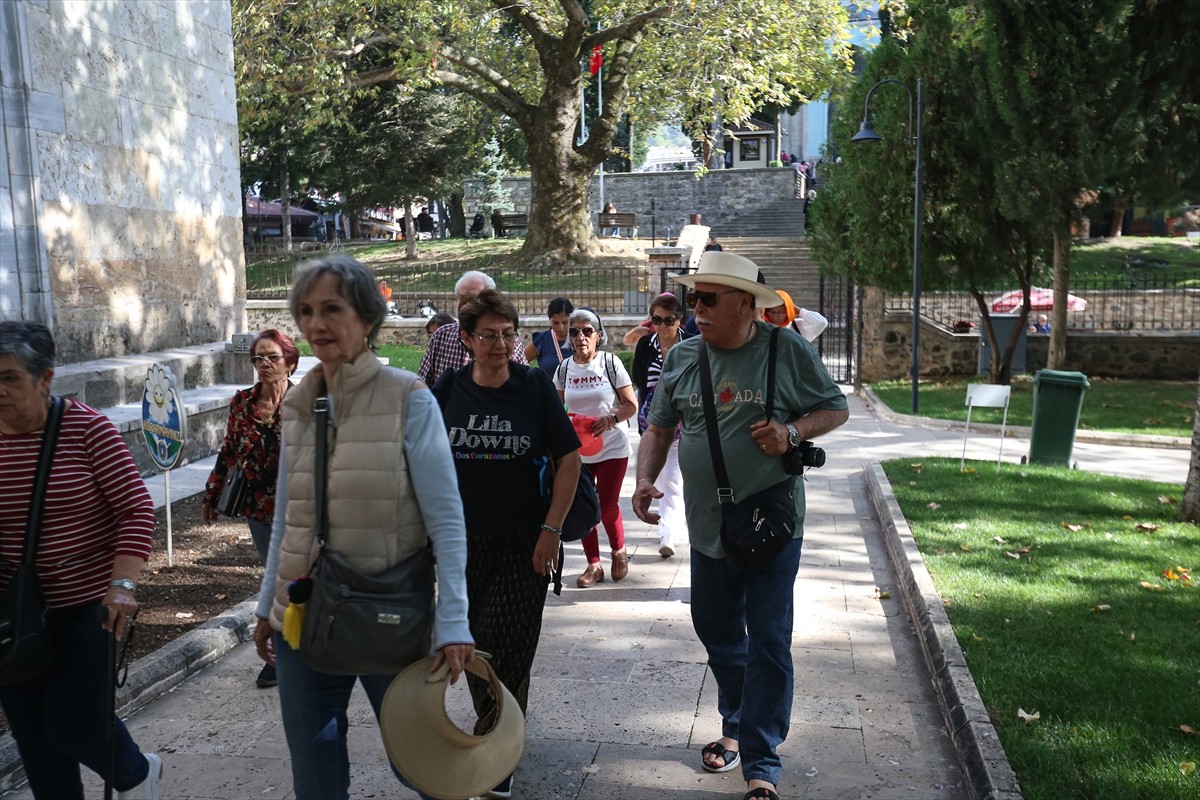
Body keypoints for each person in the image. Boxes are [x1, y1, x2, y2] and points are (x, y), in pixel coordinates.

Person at [252, 255, 474, 800]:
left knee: (421, 764)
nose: (316, 324)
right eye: (306, 311)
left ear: (368, 318)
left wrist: (453, 620)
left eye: (332, 309)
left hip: (387, 613)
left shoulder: (409, 399)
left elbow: (447, 521)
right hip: (303, 615)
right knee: (315, 773)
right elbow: (287, 517)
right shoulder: (300, 403)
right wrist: (266, 605)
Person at [631, 252, 848, 800]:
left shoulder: (785, 348)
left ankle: (761, 760)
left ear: (745, 305)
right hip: (708, 526)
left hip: (772, 522)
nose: (695, 309)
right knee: (718, 630)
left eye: (707, 299)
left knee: (770, 640)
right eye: (693, 299)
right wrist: (643, 480)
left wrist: (793, 433)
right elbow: (658, 430)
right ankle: (738, 716)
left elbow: (834, 408)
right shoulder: (682, 357)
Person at [0, 320, 161, 799]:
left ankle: (136, 773)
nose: (0, 391)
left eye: (10, 378)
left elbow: (135, 508)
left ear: (45, 379)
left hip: (87, 608)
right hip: (12, 614)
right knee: (32, 735)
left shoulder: (87, 428)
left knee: (71, 721)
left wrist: (123, 586)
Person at [431, 289, 581, 798]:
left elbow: (569, 460)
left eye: (509, 334)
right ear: (467, 339)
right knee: (472, 641)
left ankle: (496, 748)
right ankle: (502, 727)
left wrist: (551, 531)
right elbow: (424, 462)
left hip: (526, 542)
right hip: (461, 543)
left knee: (510, 646)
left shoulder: (533, 386)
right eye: (489, 335)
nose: (500, 343)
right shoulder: (448, 388)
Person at [201, 328, 299, 689]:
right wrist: (212, 493)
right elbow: (229, 450)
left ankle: (306, 645)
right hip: (259, 505)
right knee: (275, 580)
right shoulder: (242, 402)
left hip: (302, 506)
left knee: (300, 577)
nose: (264, 365)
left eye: (272, 357)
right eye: (258, 358)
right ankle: (279, 655)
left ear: (290, 362)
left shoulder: (306, 400)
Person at [553, 309, 638, 588]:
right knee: (584, 508)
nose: (580, 337)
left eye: (587, 331)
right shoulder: (564, 369)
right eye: (575, 331)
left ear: (598, 335)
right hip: (580, 452)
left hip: (613, 446)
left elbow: (630, 405)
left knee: (608, 505)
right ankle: (593, 565)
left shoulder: (610, 364)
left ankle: (618, 551)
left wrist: (611, 419)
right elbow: (556, 409)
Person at [629, 293, 693, 559]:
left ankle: (667, 533)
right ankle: (673, 526)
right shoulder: (646, 345)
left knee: (674, 480)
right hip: (652, 422)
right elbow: (638, 378)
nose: (663, 325)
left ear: (680, 320)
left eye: (669, 320)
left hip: (682, 422)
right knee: (658, 475)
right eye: (656, 320)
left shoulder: (690, 345)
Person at [417, 270, 528, 385]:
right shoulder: (442, 336)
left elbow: (522, 384)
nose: (466, 303)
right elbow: (423, 384)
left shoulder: (509, 343)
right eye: (462, 297)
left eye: (474, 298)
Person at [524, 297, 573, 371]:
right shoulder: (541, 340)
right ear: (550, 321)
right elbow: (518, 363)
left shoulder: (580, 339)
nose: (561, 328)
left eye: (565, 322)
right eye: (555, 323)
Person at [763, 290, 829, 342]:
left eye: (780, 313)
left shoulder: (798, 327)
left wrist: (797, 310)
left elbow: (821, 322)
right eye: (772, 312)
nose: (776, 317)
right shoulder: (763, 328)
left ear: (788, 311)